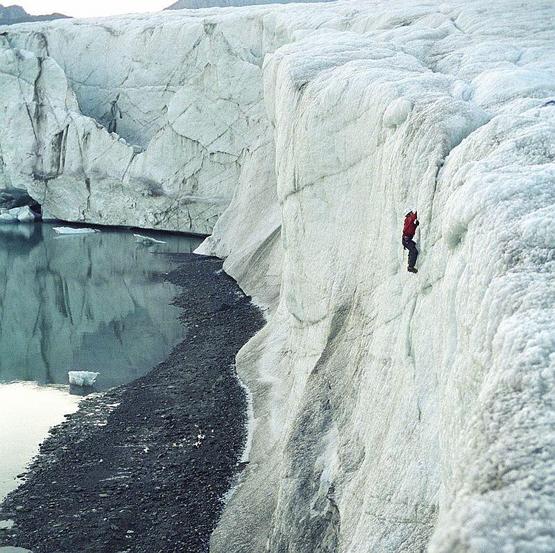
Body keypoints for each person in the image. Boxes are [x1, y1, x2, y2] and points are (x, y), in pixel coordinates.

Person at [402, 209, 419, 273]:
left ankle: (409, 261)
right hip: (406, 240)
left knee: (413, 246)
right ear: (409, 214)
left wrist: (416, 225)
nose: (412, 213)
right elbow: (412, 218)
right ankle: (410, 267)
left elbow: (410, 228)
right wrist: (416, 213)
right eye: (411, 213)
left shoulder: (408, 222)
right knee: (414, 251)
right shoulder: (408, 219)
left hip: (406, 240)